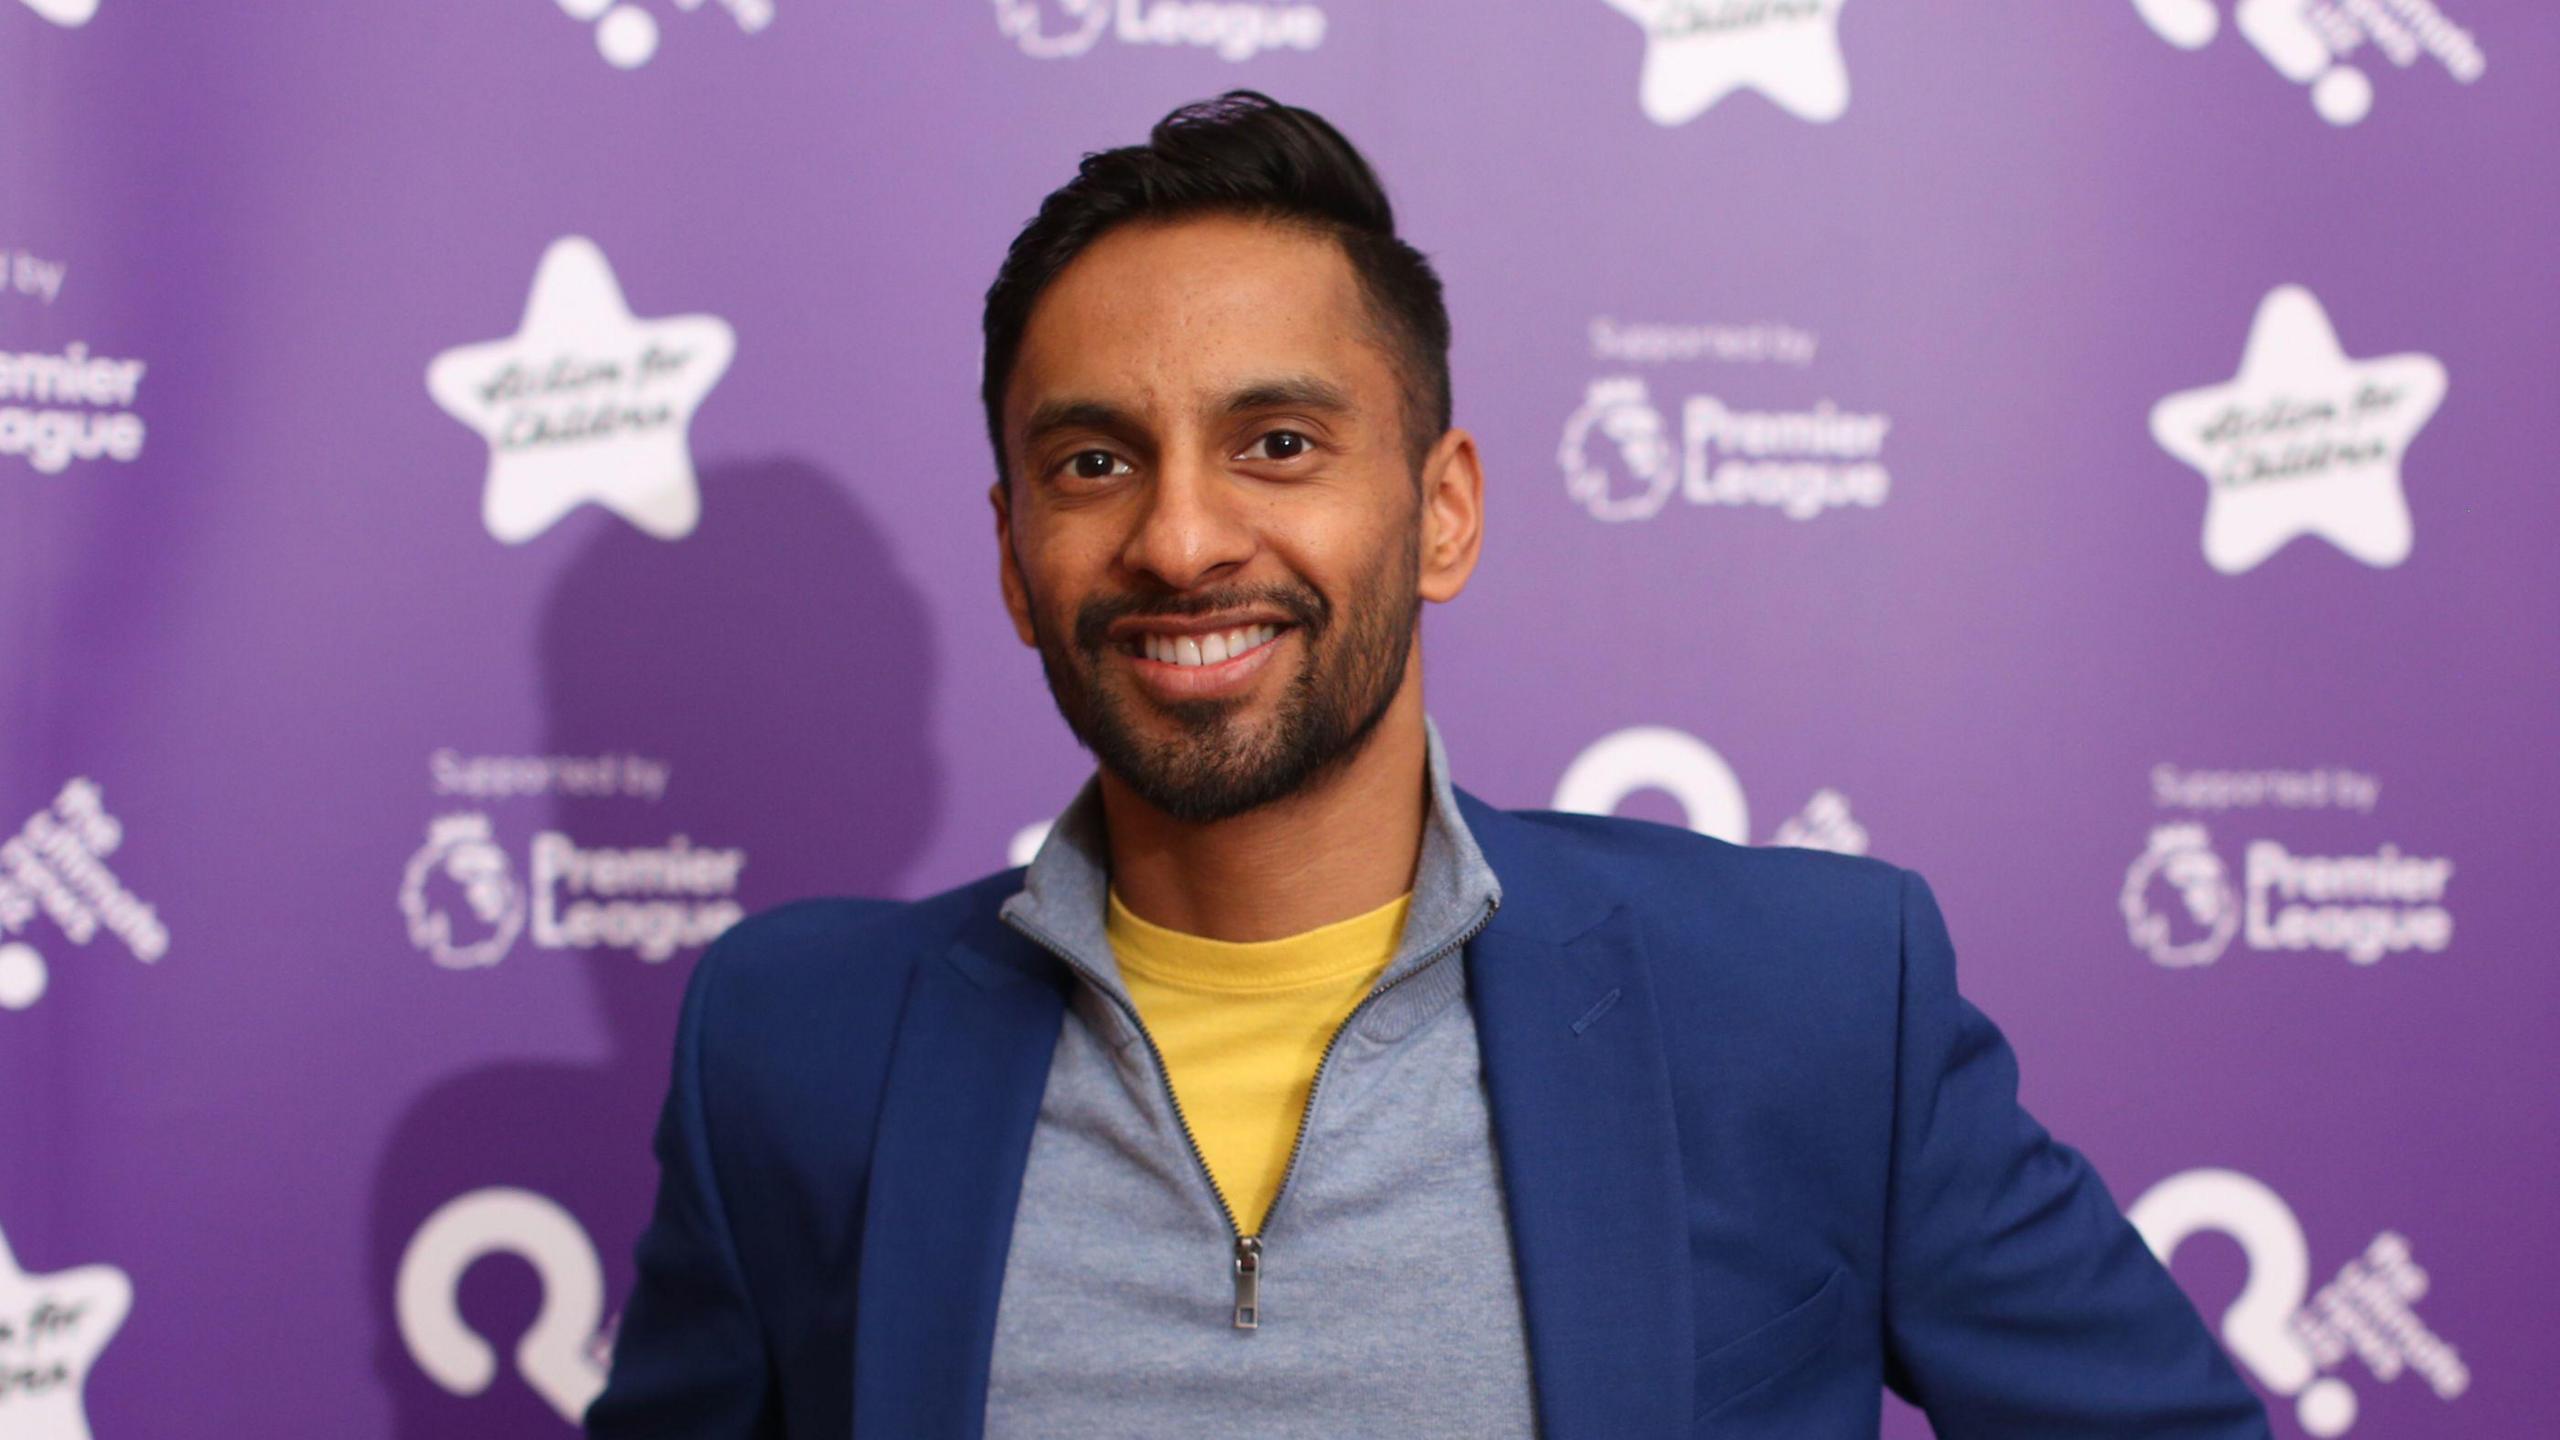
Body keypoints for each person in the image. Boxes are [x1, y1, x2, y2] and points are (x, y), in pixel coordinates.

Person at [587, 91, 2270, 1438]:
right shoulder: (787, 1046)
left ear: (1442, 508)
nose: (1181, 538)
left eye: (1279, 444)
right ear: (1018, 556)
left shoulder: (1819, 1000)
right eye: (1095, 460)